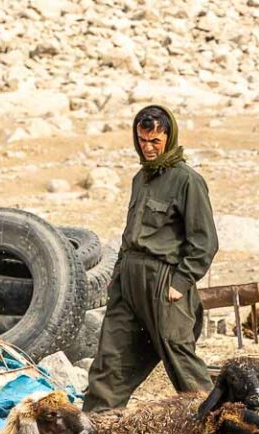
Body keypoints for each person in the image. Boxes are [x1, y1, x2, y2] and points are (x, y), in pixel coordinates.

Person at [83, 105, 219, 412]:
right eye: (142, 140)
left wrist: (181, 282)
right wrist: (118, 278)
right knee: (111, 356)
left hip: (163, 281)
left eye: (155, 141)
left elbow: (204, 241)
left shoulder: (187, 181)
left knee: (179, 357)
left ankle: (218, 424)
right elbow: (132, 233)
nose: (148, 148)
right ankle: (97, 429)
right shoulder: (140, 179)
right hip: (129, 280)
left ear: (168, 138)